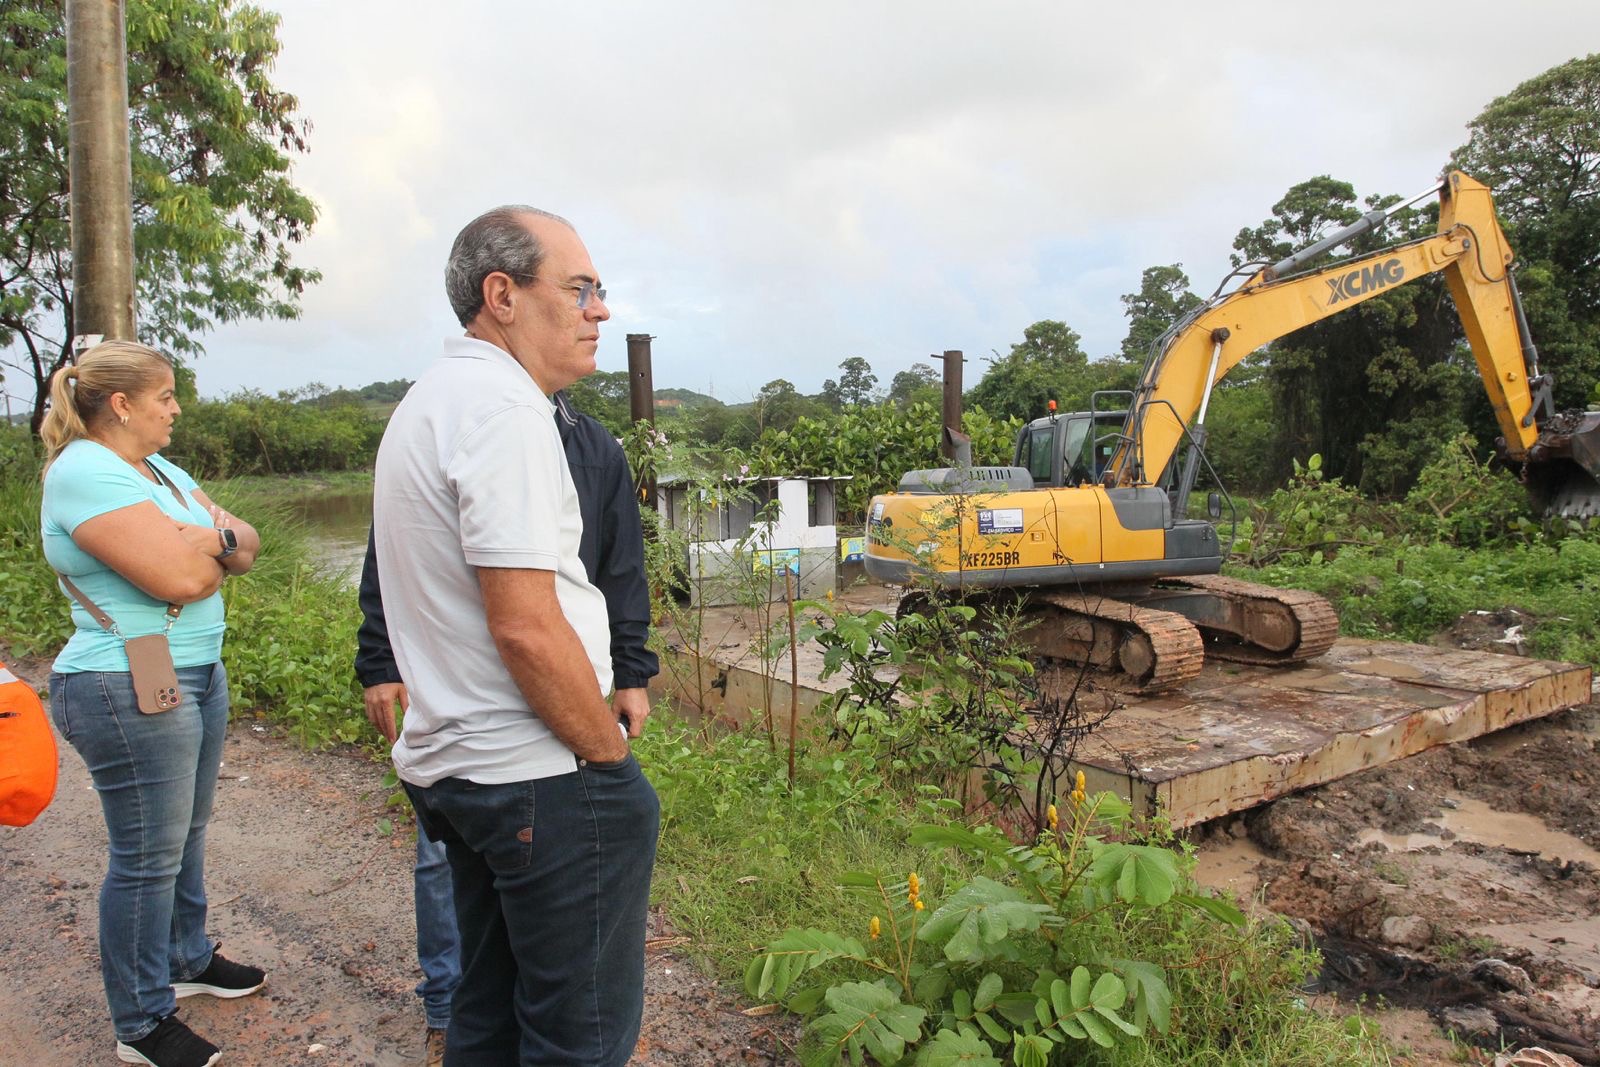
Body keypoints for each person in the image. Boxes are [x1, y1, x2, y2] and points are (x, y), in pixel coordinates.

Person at [372, 206, 660, 1067]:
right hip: (538, 775)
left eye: (599, 291)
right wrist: (606, 758)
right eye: (579, 289)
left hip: (467, 771)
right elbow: (527, 626)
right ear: (502, 294)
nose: (599, 310)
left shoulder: (431, 401)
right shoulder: (504, 410)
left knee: (489, 1014)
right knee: (579, 1039)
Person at [40, 341, 267, 1067]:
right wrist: (205, 547)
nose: (175, 408)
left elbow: (247, 544)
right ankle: (139, 1020)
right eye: (165, 395)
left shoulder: (161, 470)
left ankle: (185, 954)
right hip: (120, 679)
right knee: (145, 855)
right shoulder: (83, 472)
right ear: (121, 404)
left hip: (196, 671)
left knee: (187, 830)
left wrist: (213, 538)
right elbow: (180, 578)